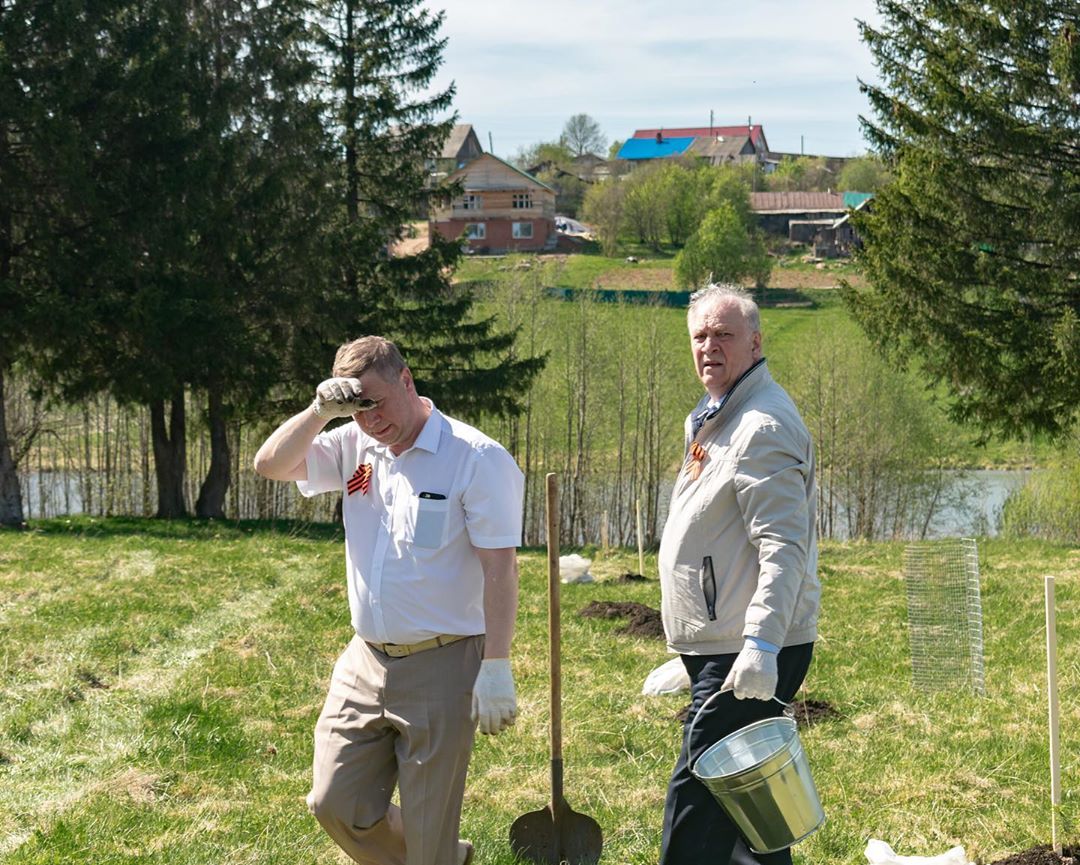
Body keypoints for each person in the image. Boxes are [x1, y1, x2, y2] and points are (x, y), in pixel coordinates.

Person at [253, 336, 523, 865]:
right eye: (355, 409)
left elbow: (501, 569)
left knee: (428, 830)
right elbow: (271, 465)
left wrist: (497, 664)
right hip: (365, 659)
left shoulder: (475, 458)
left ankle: (437, 856)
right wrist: (319, 412)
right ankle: (450, 859)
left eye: (376, 403)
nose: (369, 420)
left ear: (407, 381)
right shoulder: (355, 446)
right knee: (335, 803)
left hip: (443, 662)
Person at [658, 284, 820, 865]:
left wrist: (759, 643)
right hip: (726, 643)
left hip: (749, 651)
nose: (709, 347)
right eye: (700, 336)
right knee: (749, 809)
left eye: (724, 335)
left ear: (755, 343)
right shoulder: (718, 417)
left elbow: (783, 547)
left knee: (697, 795)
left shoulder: (760, 427)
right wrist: (700, 642)